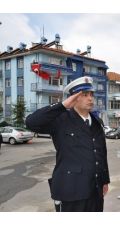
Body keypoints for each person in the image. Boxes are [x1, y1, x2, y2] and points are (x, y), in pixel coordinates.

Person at [25, 76, 110, 212]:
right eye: (84, 95)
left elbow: (101, 152)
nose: (90, 99)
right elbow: (31, 122)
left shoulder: (96, 122)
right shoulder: (60, 120)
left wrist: (105, 180)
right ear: (73, 98)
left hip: (95, 189)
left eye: (91, 95)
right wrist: (62, 105)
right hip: (71, 191)